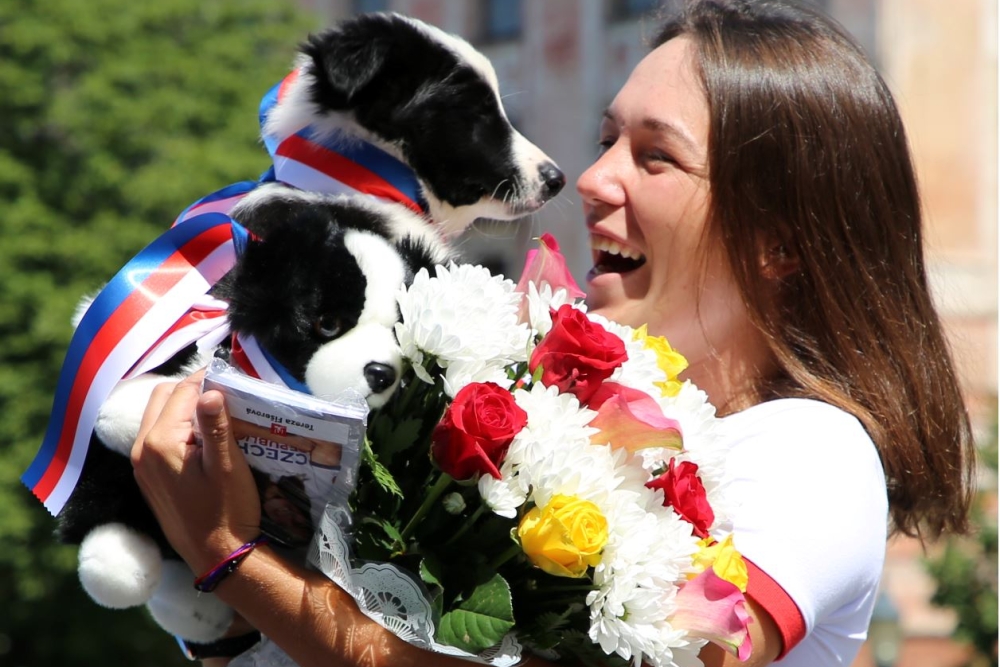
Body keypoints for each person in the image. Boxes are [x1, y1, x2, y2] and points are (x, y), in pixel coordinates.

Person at [130, 1, 975, 666]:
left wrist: (233, 558)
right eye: (607, 140)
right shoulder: (548, 406)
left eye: (655, 157)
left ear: (780, 241)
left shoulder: (812, 452)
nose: (595, 180)